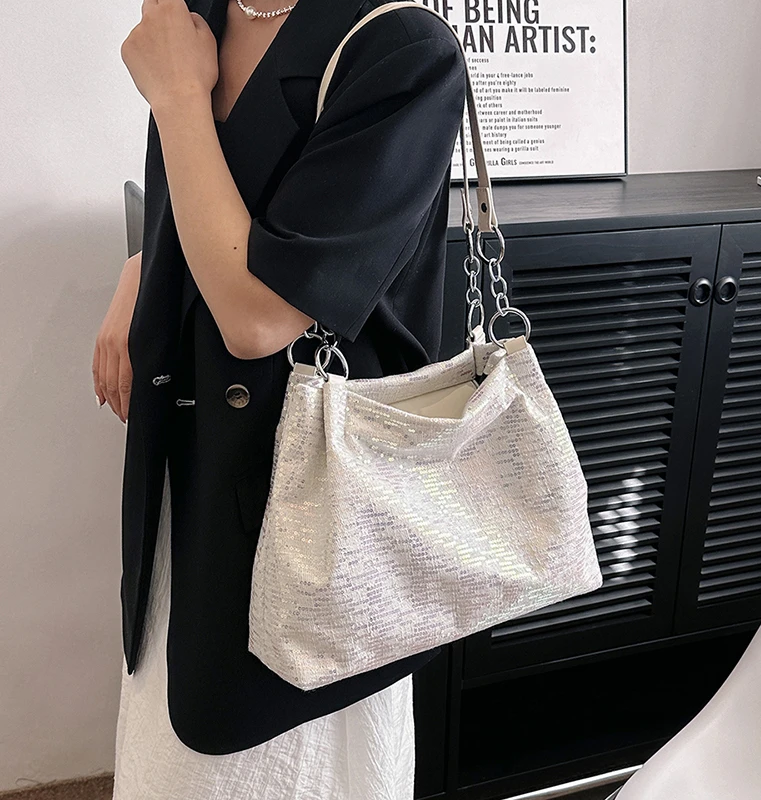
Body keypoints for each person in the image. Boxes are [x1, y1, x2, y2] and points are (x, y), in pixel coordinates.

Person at [92, 0, 467, 796]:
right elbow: (215, 199)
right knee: (172, 743)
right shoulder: (197, 15)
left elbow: (258, 316)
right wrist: (142, 268)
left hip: (316, 510)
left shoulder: (399, 46)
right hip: (189, 486)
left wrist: (179, 96)